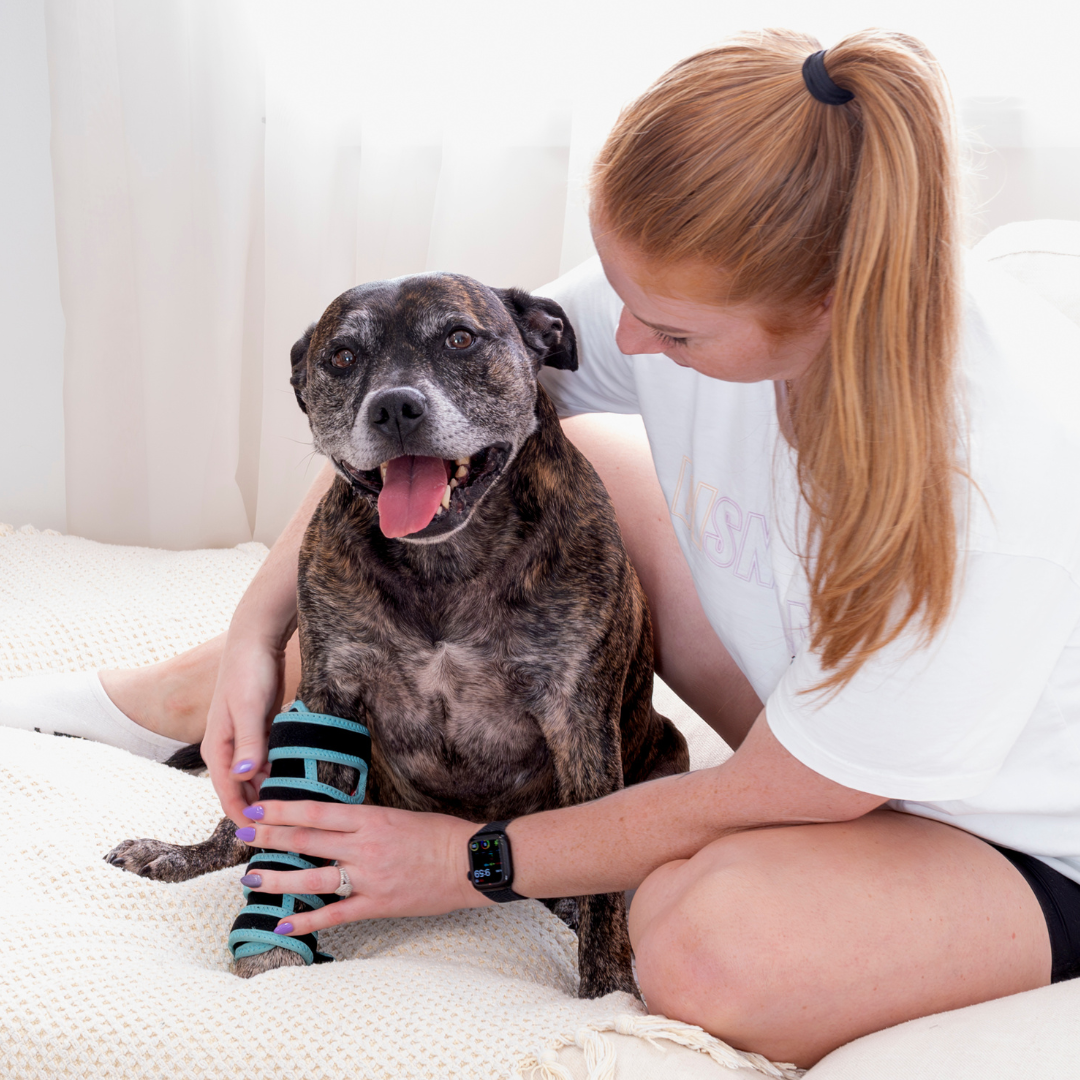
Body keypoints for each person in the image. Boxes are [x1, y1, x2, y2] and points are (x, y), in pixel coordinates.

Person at [5, 28, 1080, 1069]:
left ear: (831, 299)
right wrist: (256, 627)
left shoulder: (994, 487)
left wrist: (471, 863)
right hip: (832, 712)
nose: (625, 342)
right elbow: (445, 417)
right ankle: (203, 685)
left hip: (995, 821)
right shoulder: (697, 279)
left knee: (704, 948)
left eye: (675, 336)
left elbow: (769, 794)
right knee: (568, 451)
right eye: (621, 296)